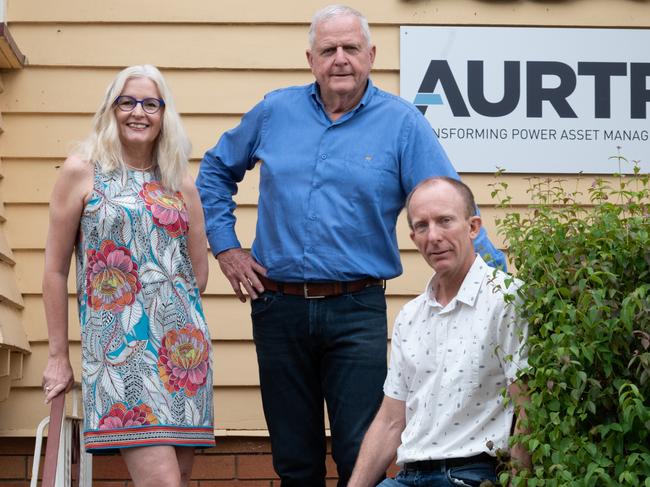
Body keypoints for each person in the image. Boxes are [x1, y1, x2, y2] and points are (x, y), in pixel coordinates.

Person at [197, 5, 505, 486]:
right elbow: (214, 172)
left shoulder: (403, 124)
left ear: (371, 55)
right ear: (311, 59)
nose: (340, 59)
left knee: (359, 450)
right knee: (293, 458)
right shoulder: (274, 111)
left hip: (355, 309)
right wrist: (227, 248)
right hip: (276, 308)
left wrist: (503, 279)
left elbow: (449, 205)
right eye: (328, 50)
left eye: (351, 48)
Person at [42, 64, 214, 487]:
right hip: (122, 357)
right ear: (111, 110)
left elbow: (198, 275)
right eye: (127, 102)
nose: (139, 112)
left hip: (183, 356)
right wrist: (58, 355)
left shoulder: (179, 182)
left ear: (163, 114)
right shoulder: (82, 171)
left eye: (150, 104)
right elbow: (53, 270)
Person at [347, 177, 530, 487]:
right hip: (407, 477)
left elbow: (527, 406)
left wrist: (518, 481)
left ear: (473, 227)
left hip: (470, 475)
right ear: (413, 237)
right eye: (422, 226)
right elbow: (391, 422)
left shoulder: (506, 299)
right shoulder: (411, 316)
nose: (433, 236)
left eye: (445, 221)